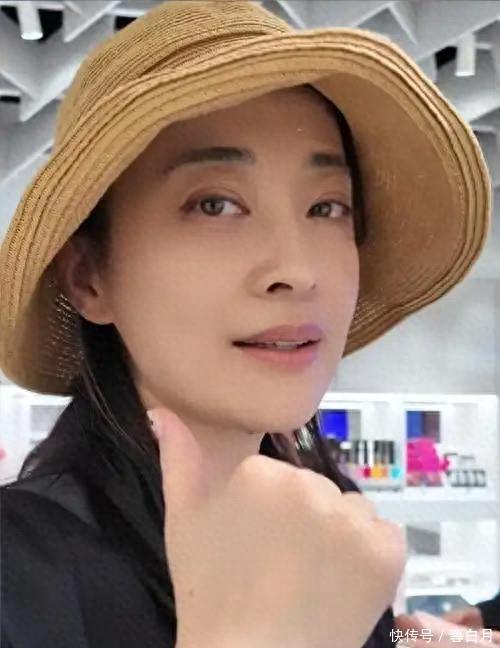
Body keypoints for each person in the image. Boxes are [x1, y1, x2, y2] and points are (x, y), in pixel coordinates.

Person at [0, 1, 492, 647]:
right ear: (90, 277)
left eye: (328, 207)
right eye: (215, 204)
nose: (298, 271)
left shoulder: (317, 524)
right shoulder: (19, 578)